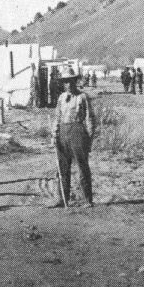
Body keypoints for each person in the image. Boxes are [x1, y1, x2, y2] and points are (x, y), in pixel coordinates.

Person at [50, 68, 96, 208]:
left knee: (82, 166)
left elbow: (89, 118)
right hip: (63, 133)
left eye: (70, 81)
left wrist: (89, 138)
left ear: (75, 81)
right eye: (65, 82)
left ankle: (87, 199)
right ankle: (62, 199)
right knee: (62, 167)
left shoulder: (83, 97)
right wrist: (54, 134)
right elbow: (57, 117)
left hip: (78, 132)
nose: (68, 85)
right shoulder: (61, 98)